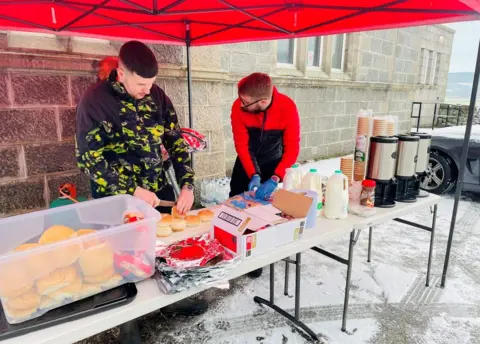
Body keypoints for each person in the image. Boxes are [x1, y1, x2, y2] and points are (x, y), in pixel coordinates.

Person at [76, 41, 207, 315]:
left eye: (151, 84)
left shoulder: (157, 96)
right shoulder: (95, 101)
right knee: (121, 259)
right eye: (141, 85)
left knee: (165, 250)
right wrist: (132, 190)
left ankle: (172, 300)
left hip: (156, 190)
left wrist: (187, 184)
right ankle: (128, 320)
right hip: (116, 200)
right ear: (121, 74)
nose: (147, 91)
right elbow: (90, 161)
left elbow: (175, 141)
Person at [230, 72, 300, 277]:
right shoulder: (238, 107)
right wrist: (253, 173)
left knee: (265, 211)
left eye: (246, 102)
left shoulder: (287, 107)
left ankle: (257, 255)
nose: (240, 104)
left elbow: (292, 148)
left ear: (263, 101)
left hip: (274, 161)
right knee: (236, 203)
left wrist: (276, 177)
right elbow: (241, 145)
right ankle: (233, 249)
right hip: (246, 161)